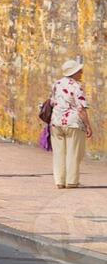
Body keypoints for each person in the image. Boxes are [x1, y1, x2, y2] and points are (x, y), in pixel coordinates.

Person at [50, 57, 93, 188]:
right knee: (74, 152)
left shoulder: (57, 84)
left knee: (58, 153)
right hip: (73, 123)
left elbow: (52, 102)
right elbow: (81, 108)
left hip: (56, 122)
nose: (81, 73)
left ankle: (59, 181)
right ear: (73, 73)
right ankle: (71, 181)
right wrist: (88, 126)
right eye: (79, 71)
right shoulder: (76, 86)